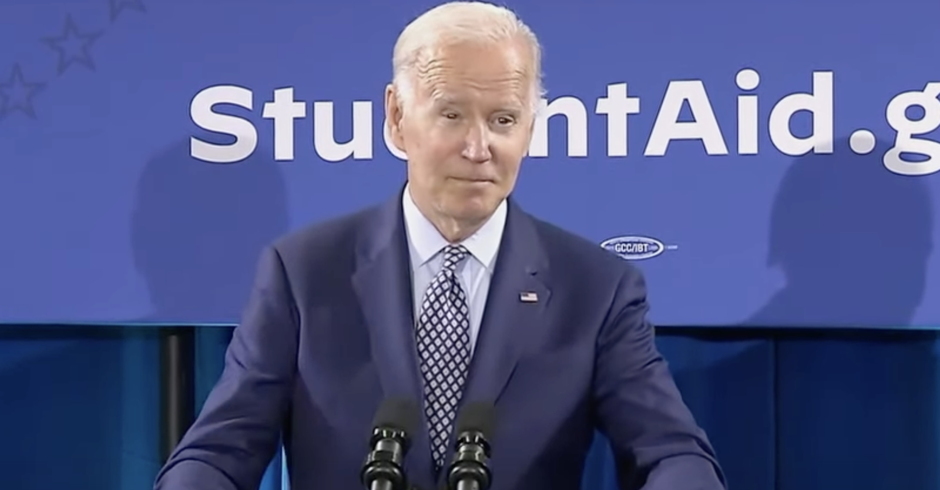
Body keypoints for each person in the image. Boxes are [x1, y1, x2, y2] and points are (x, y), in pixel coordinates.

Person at [153, 2, 726, 489]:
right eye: (451, 115)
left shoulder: (596, 288)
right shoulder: (303, 273)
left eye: (503, 120)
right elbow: (218, 454)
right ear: (396, 117)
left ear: (531, 129)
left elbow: (671, 453)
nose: (478, 148)